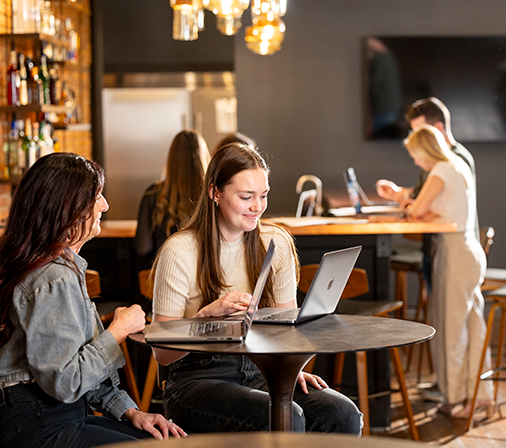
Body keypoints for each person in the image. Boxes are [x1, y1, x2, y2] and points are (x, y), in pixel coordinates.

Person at [151, 143, 363, 434]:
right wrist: (204, 319)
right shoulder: (180, 250)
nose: (257, 207)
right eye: (245, 197)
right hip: (197, 378)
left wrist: (291, 369)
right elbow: (162, 353)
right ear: (215, 193)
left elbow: (288, 329)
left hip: (263, 368)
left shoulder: (276, 241)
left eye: (263, 195)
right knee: (287, 419)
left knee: (343, 414)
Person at [0, 153, 186, 447]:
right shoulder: (53, 277)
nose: (105, 205)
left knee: (160, 439)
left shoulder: (60, 268)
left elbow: (76, 368)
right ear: (68, 207)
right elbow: (65, 381)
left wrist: (130, 412)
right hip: (38, 423)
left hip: (52, 414)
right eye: (97, 196)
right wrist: (118, 331)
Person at [402, 125, 493, 418]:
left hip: (454, 254)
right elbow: (439, 210)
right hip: (468, 251)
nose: (416, 161)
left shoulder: (440, 169)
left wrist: (414, 207)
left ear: (425, 149)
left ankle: (455, 398)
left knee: (453, 329)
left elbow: (416, 211)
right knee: (472, 327)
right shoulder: (456, 166)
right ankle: (479, 396)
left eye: (415, 154)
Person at [376, 97, 478, 292]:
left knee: (450, 316)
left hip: (453, 245)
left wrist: (415, 207)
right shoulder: (441, 162)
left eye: (420, 132)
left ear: (437, 129)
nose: (416, 138)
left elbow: (423, 206)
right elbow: (423, 194)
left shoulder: (450, 162)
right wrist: (399, 194)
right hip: (440, 244)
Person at [134, 130, 211, 268]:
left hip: (164, 273)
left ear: (172, 159)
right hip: (203, 277)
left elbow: (142, 248)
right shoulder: (213, 195)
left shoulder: (152, 194)